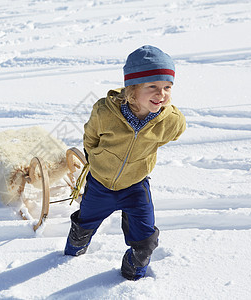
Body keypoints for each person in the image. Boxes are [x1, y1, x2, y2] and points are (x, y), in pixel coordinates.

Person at [64, 45, 186, 281]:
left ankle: (133, 276)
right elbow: (91, 138)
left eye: (167, 87)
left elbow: (175, 132)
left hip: (135, 187)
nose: (161, 94)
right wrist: (98, 161)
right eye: (152, 86)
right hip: (100, 185)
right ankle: (69, 259)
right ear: (132, 89)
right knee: (83, 226)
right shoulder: (104, 111)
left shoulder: (169, 120)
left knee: (146, 240)